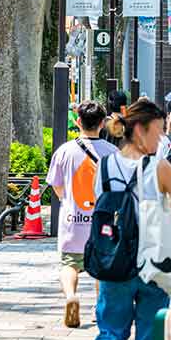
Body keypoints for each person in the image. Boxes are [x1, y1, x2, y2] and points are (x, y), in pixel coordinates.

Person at [94, 99, 171, 340]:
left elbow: (103, 207)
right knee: (150, 336)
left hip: (113, 261)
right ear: (141, 130)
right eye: (158, 130)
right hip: (153, 261)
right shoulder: (159, 167)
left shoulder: (104, 166)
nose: (162, 137)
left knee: (110, 334)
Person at [46, 101, 118, 328]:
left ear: (78, 122)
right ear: (102, 124)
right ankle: (99, 309)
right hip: (103, 221)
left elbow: (56, 185)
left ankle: (71, 297)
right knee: (101, 268)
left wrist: (66, 200)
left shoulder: (64, 151)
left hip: (72, 219)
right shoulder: (113, 153)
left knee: (69, 264)